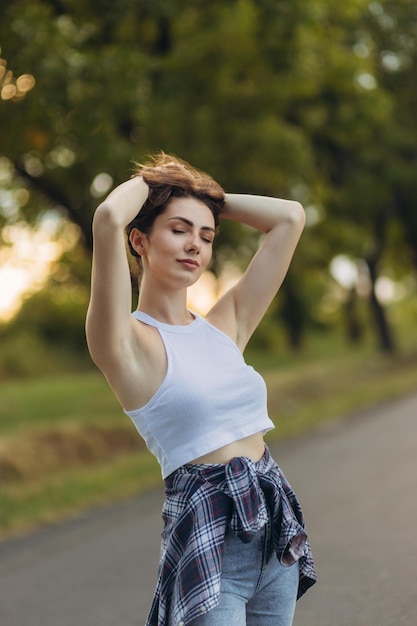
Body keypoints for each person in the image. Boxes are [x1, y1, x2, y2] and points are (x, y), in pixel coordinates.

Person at [86, 153, 316, 626]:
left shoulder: (224, 326)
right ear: (140, 239)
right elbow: (108, 215)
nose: (195, 245)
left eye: (206, 236)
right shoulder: (125, 343)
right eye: (178, 229)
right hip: (209, 542)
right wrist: (161, 184)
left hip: (273, 531)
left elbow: (289, 217)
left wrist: (206, 200)